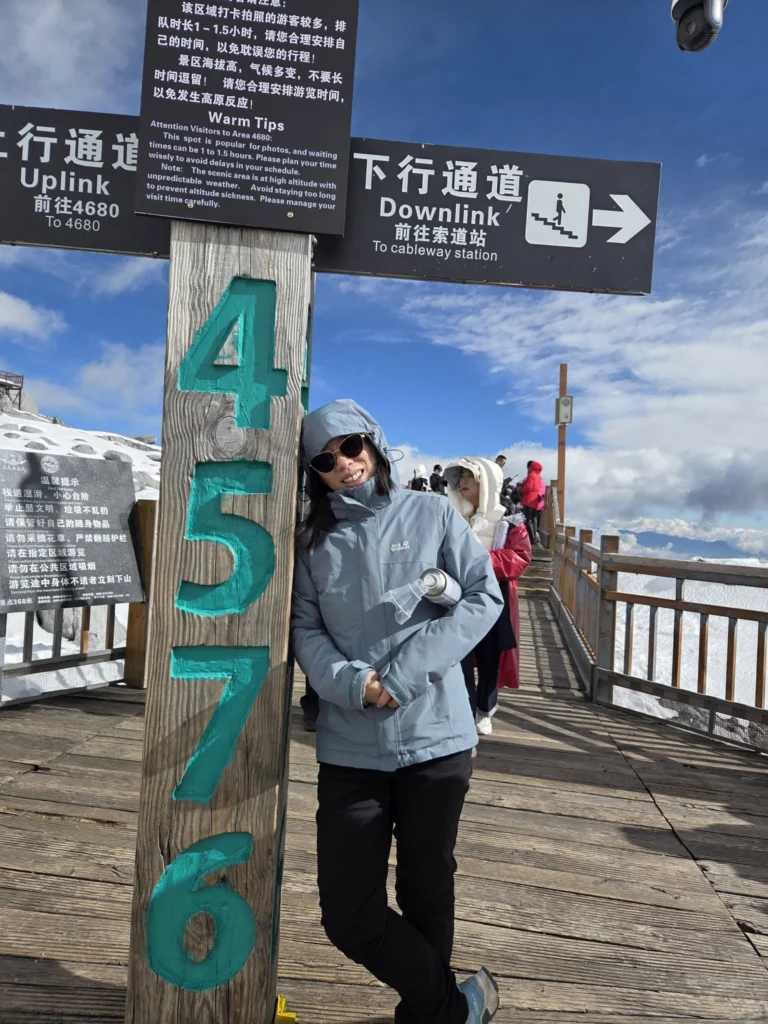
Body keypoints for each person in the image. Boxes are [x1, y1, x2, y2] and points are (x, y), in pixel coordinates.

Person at [291, 400, 504, 1024]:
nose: (344, 465)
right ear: (316, 472)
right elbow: (305, 628)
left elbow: (483, 597)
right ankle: (452, 1010)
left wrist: (403, 678)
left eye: (351, 447)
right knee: (348, 914)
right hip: (351, 744)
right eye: (325, 460)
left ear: (374, 444)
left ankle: (428, 1018)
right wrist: (352, 683)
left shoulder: (432, 511)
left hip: (437, 739)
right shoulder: (313, 540)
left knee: (426, 887)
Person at [444, 458, 532, 736]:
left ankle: (485, 708)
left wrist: (475, 559)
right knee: (458, 655)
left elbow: (519, 558)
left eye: (471, 476)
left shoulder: (509, 520)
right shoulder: (450, 514)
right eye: (461, 476)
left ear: (488, 482)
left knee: (489, 656)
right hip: (456, 598)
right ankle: (464, 710)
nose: (463, 482)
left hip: (495, 599)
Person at [518, 460, 544, 546]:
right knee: (534, 519)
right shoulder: (538, 477)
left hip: (528, 499)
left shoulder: (531, 475)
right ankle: (535, 538)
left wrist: (520, 490)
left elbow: (528, 487)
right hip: (534, 500)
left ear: (531, 467)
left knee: (528, 520)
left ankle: (531, 539)